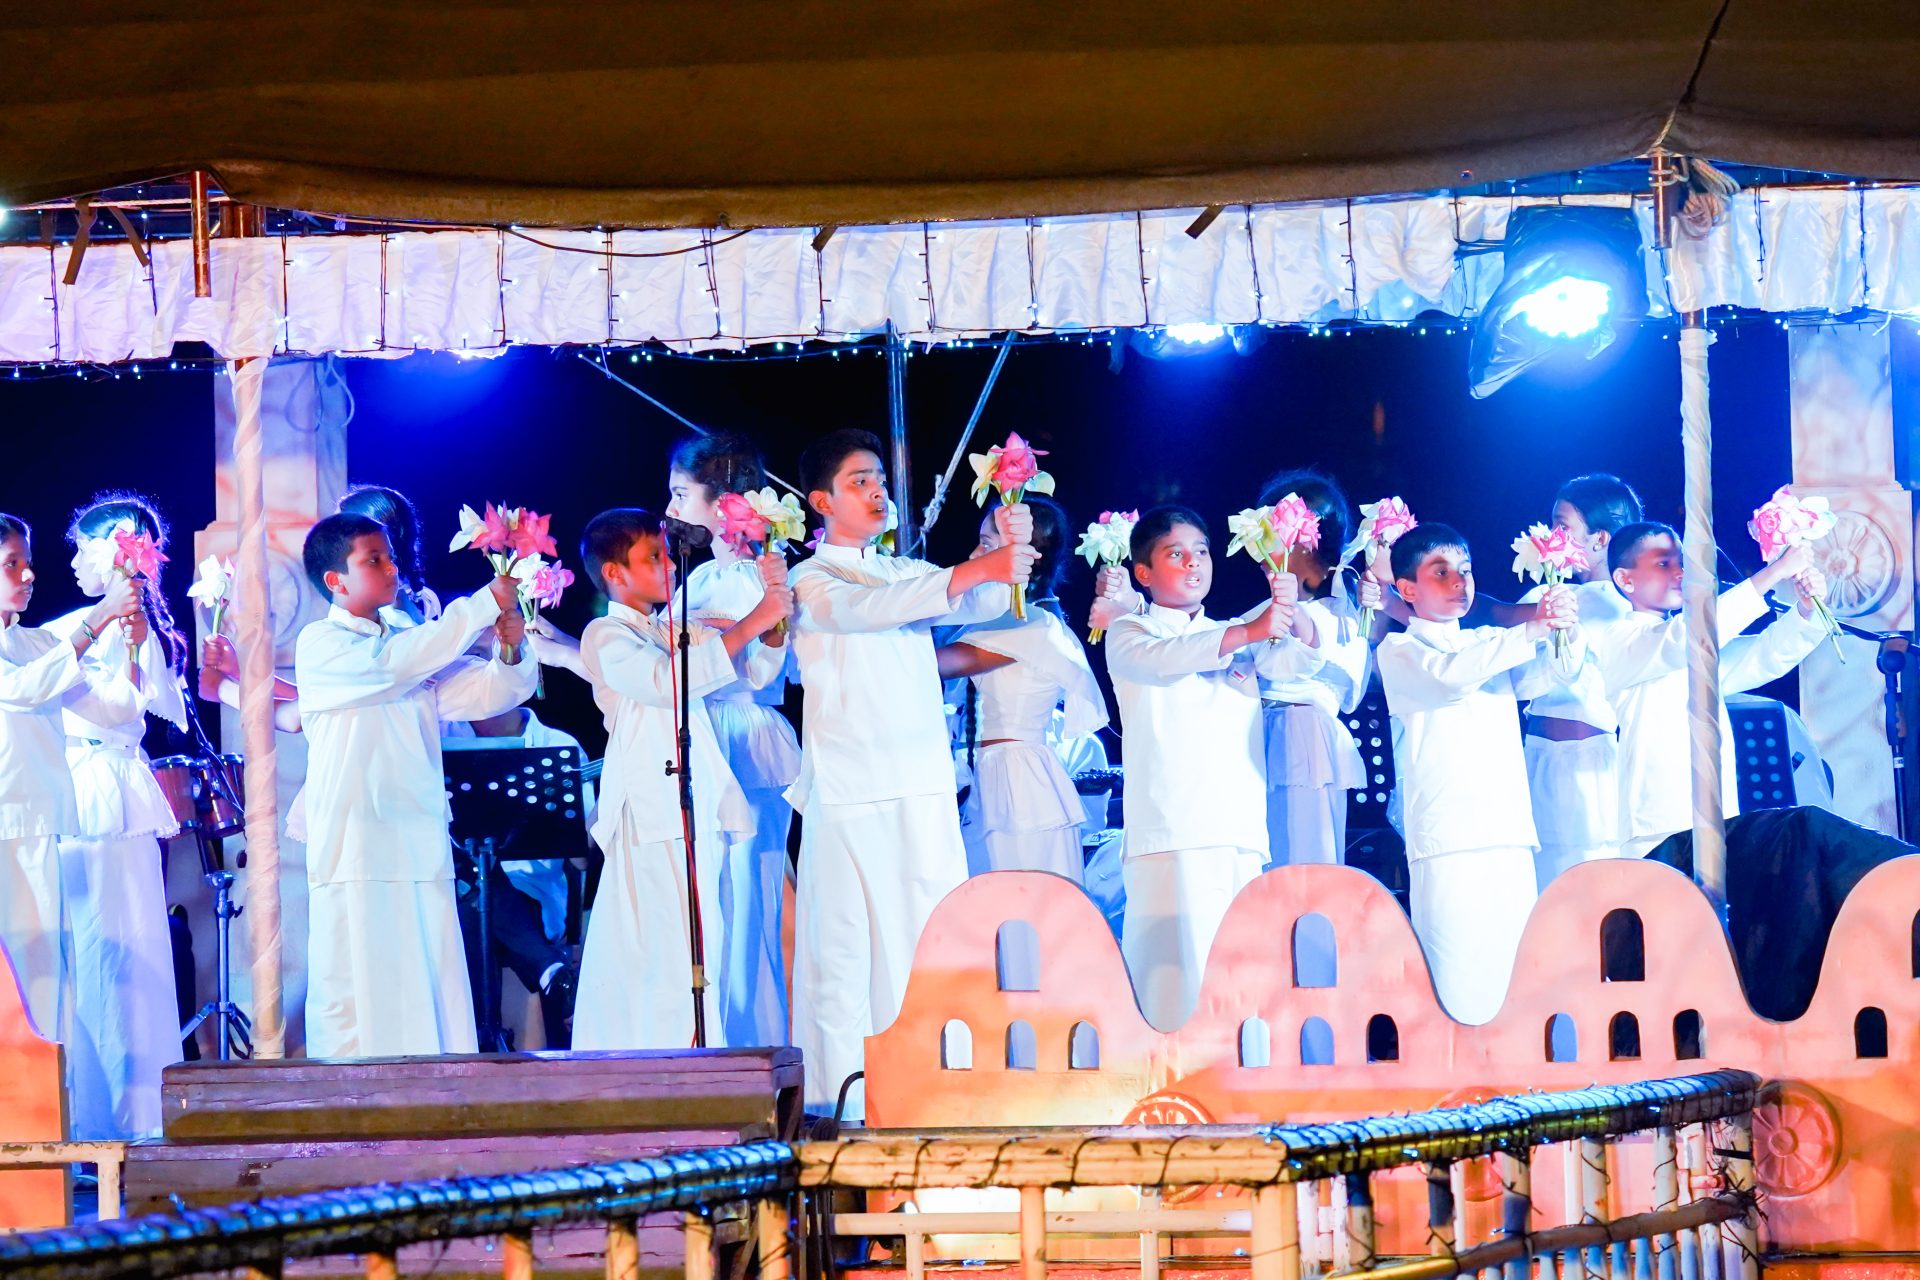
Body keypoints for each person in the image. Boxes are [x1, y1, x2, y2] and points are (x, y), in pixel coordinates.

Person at [786, 428, 1034, 1120]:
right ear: (821, 502)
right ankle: (845, 1104)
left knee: (929, 942)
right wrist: (979, 569)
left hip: (920, 785)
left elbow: (972, 601)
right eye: (858, 481)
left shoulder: (902, 570)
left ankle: (937, 1089)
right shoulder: (814, 580)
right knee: (847, 956)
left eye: (878, 480)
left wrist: (1002, 552)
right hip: (851, 793)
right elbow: (871, 611)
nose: (875, 492)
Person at [294, 512, 536, 1057]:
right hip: (359, 831)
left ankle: (439, 1084)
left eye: (389, 556)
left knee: (429, 957)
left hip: (416, 821)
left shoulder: (408, 639)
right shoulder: (322, 643)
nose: (390, 567)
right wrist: (479, 605)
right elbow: (392, 667)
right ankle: (363, 1097)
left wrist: (510, 650)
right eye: (372, 560)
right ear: (336, 581)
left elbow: (475, 695)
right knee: (362, 963)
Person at [573, 509, 791, 1049]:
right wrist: (753, 620)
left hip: (694, 803)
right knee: (663, 948)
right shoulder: (606, 633)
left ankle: (705, 1058)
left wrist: (772, 616)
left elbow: (754, 672)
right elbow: (661, 681)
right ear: (614, 574)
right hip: (652, 812)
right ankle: (659, 1064)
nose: (670, 566)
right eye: (653, 557)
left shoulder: (670, 628)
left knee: (705, 940)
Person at [1104, 505, 1314, 1030]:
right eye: (1176, 553)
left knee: (1244, 979)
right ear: (1144, 574)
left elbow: (1297, 661)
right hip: (1172, 833)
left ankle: (1247, 1093)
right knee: (1178, 986)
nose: (1194, 563)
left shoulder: (1238, 630)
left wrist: (1293, 606)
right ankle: (1174, 1098)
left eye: (1201, 551)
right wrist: (1252, 630)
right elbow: (1174, 657)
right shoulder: (1129, 632)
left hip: (1237, 830)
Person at [1375, 523, 1578, 1025]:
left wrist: (1564, 631)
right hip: (1448, 837)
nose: (1459, 582)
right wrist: (1532, 630)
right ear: (1407, 589)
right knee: (1459, 975)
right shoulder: (1399, 652)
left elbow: (1549, 675)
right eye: (1440, 572)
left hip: (1505, 828)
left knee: (1520, 972)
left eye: (1464, 570)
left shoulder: (1490, 640)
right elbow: (1453, 677)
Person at [43, 495, 190, 1140]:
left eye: (84, 548)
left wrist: (128, 639)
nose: (74, 562)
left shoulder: (137, 633)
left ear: (116, 550)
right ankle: (85, 1113)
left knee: (121, 945)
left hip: (104, 791)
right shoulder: (70, 628)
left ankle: (131, 1118)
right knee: (85, 947)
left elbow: (123, 710)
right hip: (77, 788)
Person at [665, 434, 802, 1047]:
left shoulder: (748, 574)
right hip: (710, 730)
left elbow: (765, 665)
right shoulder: (703, 576)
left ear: (722, 503)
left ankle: (749, 1041)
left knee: (745, 898)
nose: (669, 508)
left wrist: (724, 633)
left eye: (680, 494)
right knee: (719, 898)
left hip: (740, 734)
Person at [1588, 522, 1827, 857]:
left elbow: (1764, 656)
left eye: (1681, 562)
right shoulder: (1621, 639)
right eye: (1663, 563)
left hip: (1715, 814)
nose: (1679, 572)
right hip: (1656, 820)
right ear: (1625, 579)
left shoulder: (1694, 641)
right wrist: (1773, 573)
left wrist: (1805, 610)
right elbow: (1687, 637)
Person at [0, 513, 143, 1047]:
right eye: (12, 563)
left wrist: (132, 644)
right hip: (7, 826)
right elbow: (22, 690)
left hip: (44, 822)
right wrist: (100, 617)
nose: (29, 575)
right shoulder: (38, 658)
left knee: (49, 975)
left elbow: (115, 710)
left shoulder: (37, 645)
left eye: (28, 562)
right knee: (15, 976)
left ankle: (51, 1110)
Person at [939, 497, 1108, 881]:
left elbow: (937, 664)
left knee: (1034, 910)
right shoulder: (1000, 621)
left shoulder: (1032, 626)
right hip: (994, 775)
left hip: (1023, 781)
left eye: (986, 543)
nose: (974, 553)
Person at [1250, 471, 1380, 866]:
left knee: (1303, 866)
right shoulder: (1281, 612)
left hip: (1301, 740)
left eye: (1269, 533)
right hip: (1265, 737)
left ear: (1304, 540)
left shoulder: (1339, 614)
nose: (1258, 547)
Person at [1521, 474, 1642, 886]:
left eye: (1562, 526)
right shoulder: (1542, 601)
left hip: (1590, 763)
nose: (1551, 536)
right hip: (1537, 756)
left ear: (1600, 540)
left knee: (1591, 884)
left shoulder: (1626, 611)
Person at [443, 704, 586, 1049]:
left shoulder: (555, 743)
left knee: (480, 894)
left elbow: (581, 859)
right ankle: (552, 973)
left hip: (532, 895)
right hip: (458, 891)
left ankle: (481, 1045)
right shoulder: (441, 738)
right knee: (473, 887)